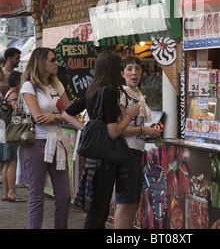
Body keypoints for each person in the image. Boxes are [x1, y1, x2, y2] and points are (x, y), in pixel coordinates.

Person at [62, 50, 141, 229]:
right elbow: (113, 132)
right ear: (114, 69)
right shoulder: (109, 92)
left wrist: (85, 128)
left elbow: (67, 114)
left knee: (99, 211)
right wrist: (130, 114)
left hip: (95, 160)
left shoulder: (94, 90)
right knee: (98, 213)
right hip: (104, 161)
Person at [19, 47, 72, 229]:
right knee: (36, 195)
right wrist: (61, 115)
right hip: (36, 143)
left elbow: (70, 112)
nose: (57, 62)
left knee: (64, 196)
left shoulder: (57, 84)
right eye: (52, 60)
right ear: (41, 62)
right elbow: (38, 117)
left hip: (57, 142)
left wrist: (56, 117)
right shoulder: (29, 86)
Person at [114, 55, 162, 229]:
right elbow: (118, 129)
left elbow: (142, 125)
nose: (134, 73)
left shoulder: (139, 94)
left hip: (137, 152)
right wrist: (144, 130)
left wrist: (152, 131)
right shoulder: (122, 93)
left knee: (134, 203)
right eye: (129, 69)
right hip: (125, 152)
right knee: (124, 203)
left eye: (137, 69)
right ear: (122, 73)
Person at [0, 71, 25, 202]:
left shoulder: (8, 93)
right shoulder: (14, 94)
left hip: (4, 131)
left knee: (6, 162)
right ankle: (12, 192)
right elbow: (16, 112)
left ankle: (5, 193)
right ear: (17, 82)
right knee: (12, 162)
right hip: (11, 132)